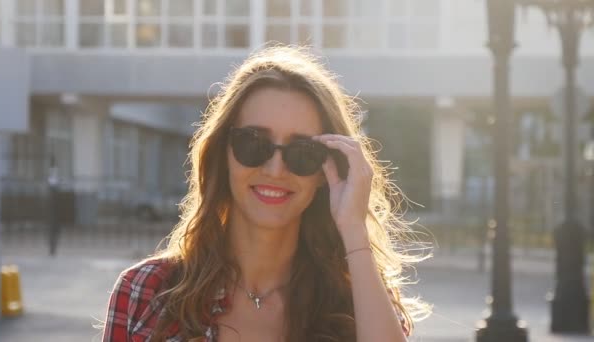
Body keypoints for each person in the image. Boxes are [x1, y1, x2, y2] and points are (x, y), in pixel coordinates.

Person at [102, 45, 428, 342]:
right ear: (223, 154)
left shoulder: (359, 300)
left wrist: (354, 230)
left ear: (324, 172)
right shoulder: (145, 292)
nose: (275, 169)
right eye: (253, 143)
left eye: (302, 151)